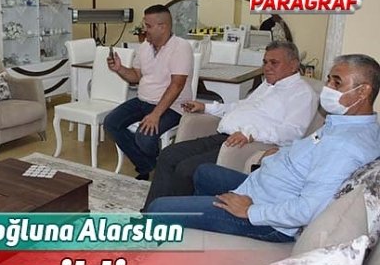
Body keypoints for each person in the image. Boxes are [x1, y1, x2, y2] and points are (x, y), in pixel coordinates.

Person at [145, 54, 380, 242]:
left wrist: (250, 211)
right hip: (262, 186)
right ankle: (199, 230)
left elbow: (308, 209)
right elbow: (312, 151)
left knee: (159, 208)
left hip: (270, 219)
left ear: (363, 91)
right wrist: (282, 153)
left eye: (336, 82)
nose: (327, 87)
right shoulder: (345, 124)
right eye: (329, 80)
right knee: (203, 172)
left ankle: (168, 230)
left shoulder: (345, 145)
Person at [143, 41, 317, 208]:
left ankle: (172, 216)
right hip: (223, 136)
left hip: (244, 145)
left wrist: (251, 133)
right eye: (265, 62)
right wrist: (206, 107)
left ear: (293, 65)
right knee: (168, 154)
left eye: (274, 62)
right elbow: (239, 107)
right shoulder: (267, 85)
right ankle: (150, 213)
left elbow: (292, 132)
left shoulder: (302, 93)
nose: (267, 67)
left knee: (186, 169)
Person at [104, 4, 194, 180]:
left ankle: (150, 167)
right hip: (143, 100)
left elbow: (177, 85)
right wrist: (119, 68)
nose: (145, 30)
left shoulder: (181, 47)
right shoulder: (145, 46)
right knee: (111, 123)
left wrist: (155, 115)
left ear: (163, 27)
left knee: (144, 137)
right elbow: (135, 76)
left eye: (148, 26)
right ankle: (150, 165)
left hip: (173, 107)